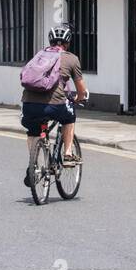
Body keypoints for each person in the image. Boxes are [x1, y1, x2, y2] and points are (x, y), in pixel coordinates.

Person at [22, 24, 88, 186]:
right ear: (68, 41)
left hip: (29, 104)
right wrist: (80, 98)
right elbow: (80, 88)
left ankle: (33, 164)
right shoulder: (71, 58)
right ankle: (67, 154)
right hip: (56, 104)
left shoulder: (39, 55)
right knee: (69, 117)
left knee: (33, 130)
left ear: (50, 40)